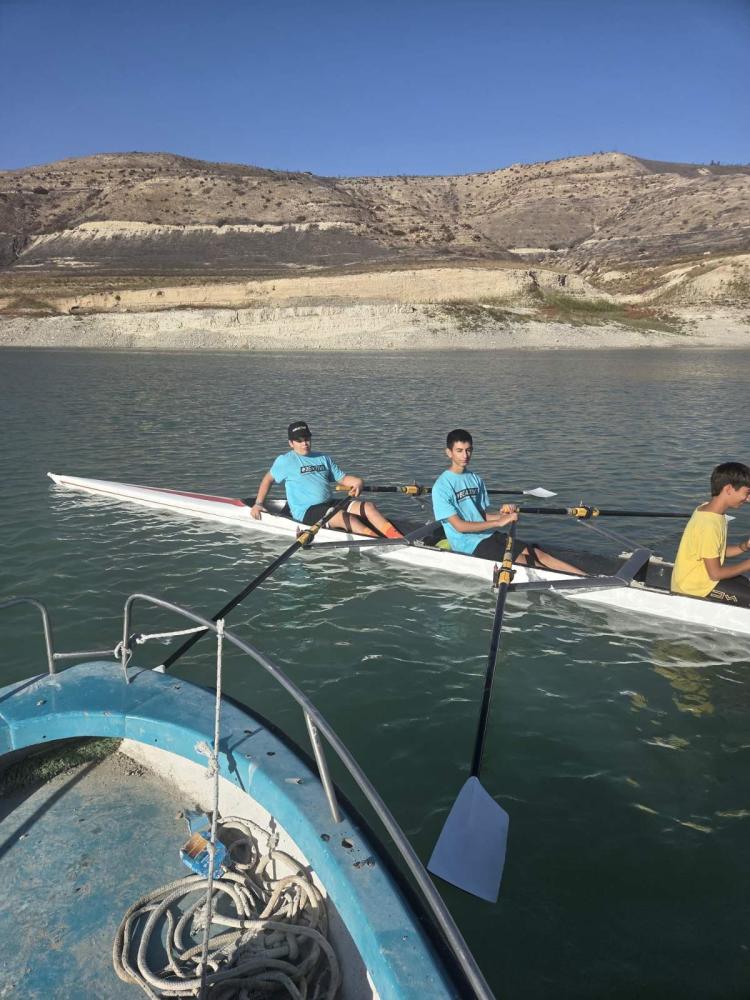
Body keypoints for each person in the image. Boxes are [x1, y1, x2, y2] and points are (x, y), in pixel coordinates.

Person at [431, 428, 584, 574]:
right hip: (467, 544)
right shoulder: (442, 486)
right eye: (459, 451)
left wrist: (504, 515)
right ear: (449, 452)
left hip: (488, 535)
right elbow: (459, 526)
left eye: (468, 450)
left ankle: (589, 580)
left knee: (538, 555)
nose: (465, 455)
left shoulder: (475, 479)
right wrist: (499, 522)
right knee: (528, 562)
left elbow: (481, 516)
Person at [251, 420, 403, 539]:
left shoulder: (323, 458)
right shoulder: (285, 461)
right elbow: (267, 479)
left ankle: (397, 538)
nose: (305, 443)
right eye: (299, 440)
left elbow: (343, 478)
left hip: (328, 503)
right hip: (306, 511)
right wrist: (258, 504)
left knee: (368, 506)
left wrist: (358, 482)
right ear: (291, 443)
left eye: (307, 438)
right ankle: (379, 541)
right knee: (343, 517)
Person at [670, 462, 750, 607]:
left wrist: (743, 547)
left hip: (699, 580)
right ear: (728, 489)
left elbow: (713, 552)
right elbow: (715, 574)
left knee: (745, 582)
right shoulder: (709, 525)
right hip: (694, 589)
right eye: (747, 493)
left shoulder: (708, 510)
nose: (748, 499)